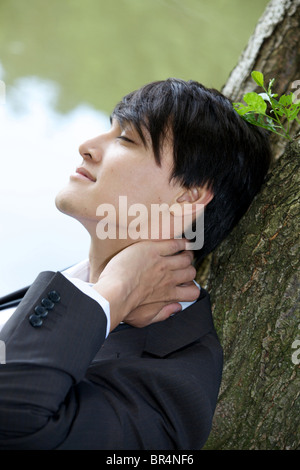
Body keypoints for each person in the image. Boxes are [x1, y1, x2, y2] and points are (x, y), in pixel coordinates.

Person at [0, 78, 271, 450]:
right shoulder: (61, 285)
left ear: (188, 197)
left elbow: (11, 417)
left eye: (126, 139)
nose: (87, 147)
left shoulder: (171, 390)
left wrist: (116, 292)